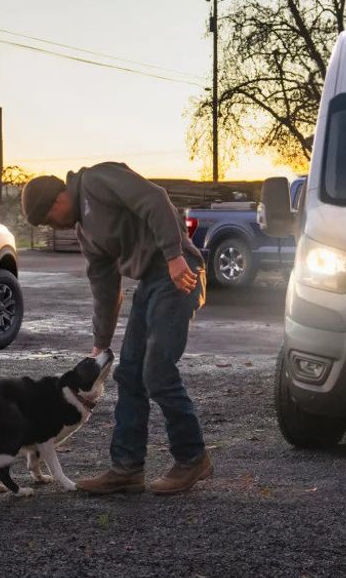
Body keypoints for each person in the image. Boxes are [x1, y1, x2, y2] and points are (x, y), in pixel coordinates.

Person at [21, 162, 212, 496]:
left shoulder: (98, 180)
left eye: (50, 218)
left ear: (57, 200)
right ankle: (127, 468)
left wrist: (173, 255)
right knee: (130, 374)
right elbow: (105, 286)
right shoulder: (86, 233)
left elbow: (155, 199)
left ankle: (192, 458)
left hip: (177, 272)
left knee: (157, 371)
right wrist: (100, 344)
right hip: (150, 282)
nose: (54, 225)